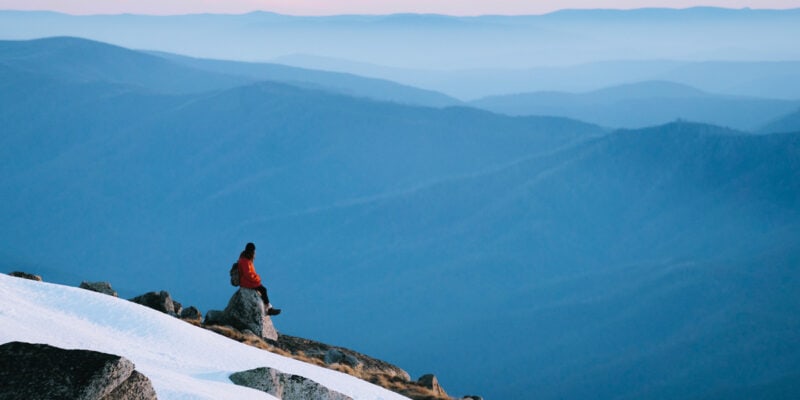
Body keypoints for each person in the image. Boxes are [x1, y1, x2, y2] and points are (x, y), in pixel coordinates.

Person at [238, 242, 281, 316]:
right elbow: (248, 274)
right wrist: (257, 278)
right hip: (247, 282)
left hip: (247, 281)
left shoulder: (245, 259)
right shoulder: (245, 261)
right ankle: (269, 308)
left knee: (262, 290)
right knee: (263, 290)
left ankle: (268, 307)